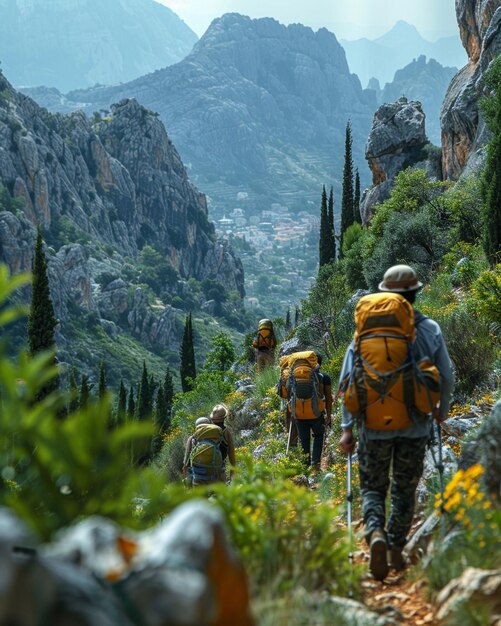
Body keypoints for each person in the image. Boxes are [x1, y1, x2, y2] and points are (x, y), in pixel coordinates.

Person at [338, 265, 454, 581]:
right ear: (415, 293)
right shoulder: (430, 329)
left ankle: (375, 531)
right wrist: (441, 410)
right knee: (404, 488)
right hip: (415, 426)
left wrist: (347, 429)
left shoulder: (363, 333)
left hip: (372, 427)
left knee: (373, 487)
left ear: (386, 294)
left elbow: (348, 380)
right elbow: (446, 375)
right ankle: (395, 547)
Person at [294, 353, 332, 471]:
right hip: (316, 414)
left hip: (299, 414)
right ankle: (315, 465)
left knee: (304, 439)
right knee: (318, 436)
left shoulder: (297, 377)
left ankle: (305, 466)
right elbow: (328, 398)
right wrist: (329, 415)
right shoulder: (324, 377)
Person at [209, 403, 236, 481]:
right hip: (218, 468)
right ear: (224, 417)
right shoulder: (226, 432)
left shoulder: (205, 431)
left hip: (202, 469)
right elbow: (231, 454)